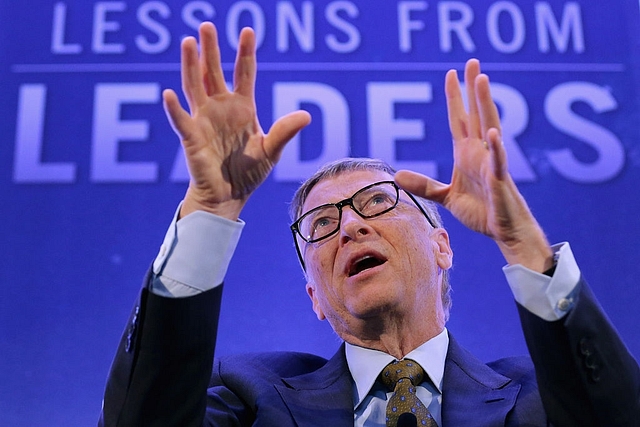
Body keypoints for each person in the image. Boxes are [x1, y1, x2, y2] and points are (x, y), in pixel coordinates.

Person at [98, 22, 640, 426]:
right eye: (321, 222)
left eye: (378, 202)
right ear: (314, 293)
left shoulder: (542, 394)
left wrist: (524, 246)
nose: (350, 226)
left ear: (441, 244)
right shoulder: (247, 395)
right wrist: (210, 210)